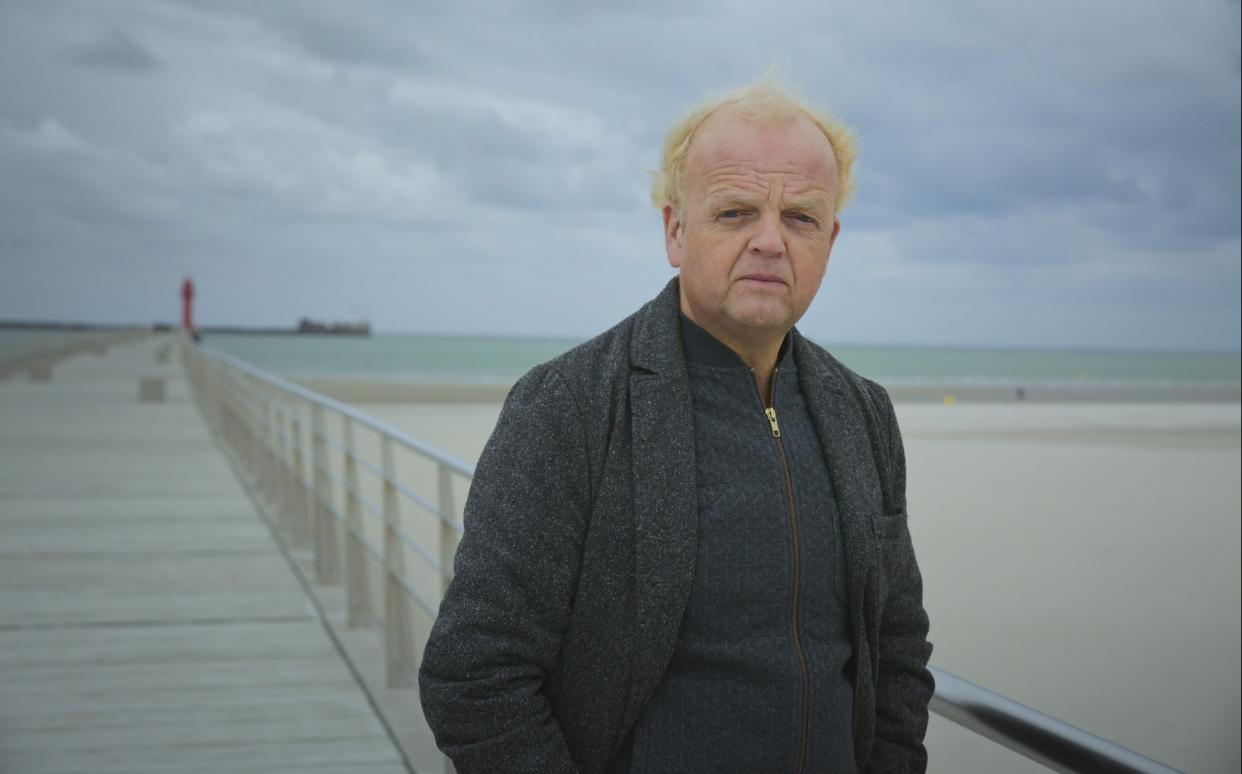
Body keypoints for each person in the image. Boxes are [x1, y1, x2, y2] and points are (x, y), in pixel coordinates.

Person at [419, 75, 934, 774]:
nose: (770, 242)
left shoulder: (862, 413)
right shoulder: (569, 406)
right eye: (734, 213)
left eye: (801, 218)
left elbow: (898, 646)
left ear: (831, 239)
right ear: (674, 229)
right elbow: (474, 674)